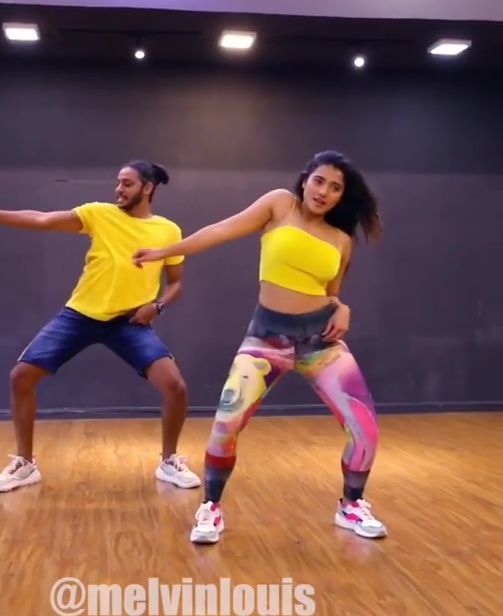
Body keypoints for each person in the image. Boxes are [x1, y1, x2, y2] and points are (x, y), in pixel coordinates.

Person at [132, 150, 386, 543]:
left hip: (320, 342)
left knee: (365, 427)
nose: (324, 192)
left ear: (341, 196)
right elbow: (221, 230)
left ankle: (351, 505)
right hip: (267, 339)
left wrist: (343, 308)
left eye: (335, 188)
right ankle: (211, 508)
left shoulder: (341, 240)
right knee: (225, 426)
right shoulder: (280, 205)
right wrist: (165, 252)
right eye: (319, 181)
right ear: (305, 179)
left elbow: (332, 293)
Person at [0, 160, 201, 493]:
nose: (118, 189)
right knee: (21, 377)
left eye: (127, 183)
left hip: (128, 322)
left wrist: (156, 306)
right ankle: (25, 464)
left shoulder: (169, 231)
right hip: (80, 316)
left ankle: (169, 462)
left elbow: (176, 283)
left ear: (148, 188)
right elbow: (41, 219)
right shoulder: (98, 214)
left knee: (175, 387)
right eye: (118, 182)